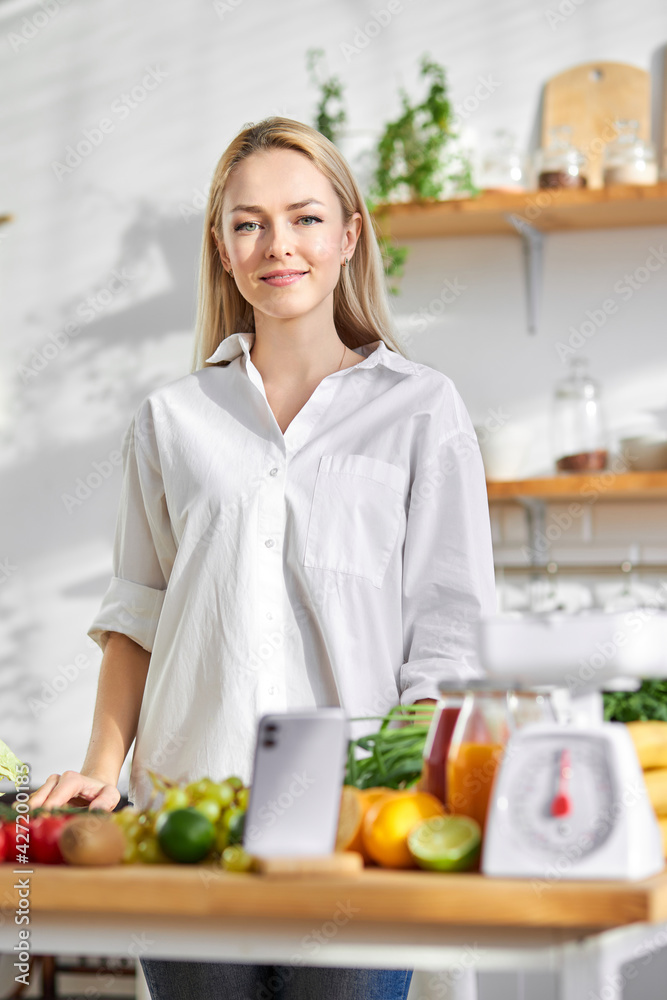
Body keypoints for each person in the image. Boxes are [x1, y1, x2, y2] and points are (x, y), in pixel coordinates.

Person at [28, 117, 496, 999]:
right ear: (222, 247)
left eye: (305, 218)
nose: (278, 245)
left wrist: (409, 786)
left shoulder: (422, 409)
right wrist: (97, 772)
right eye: (248, 223)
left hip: (353, 836)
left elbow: (448, 631)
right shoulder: (171, 419)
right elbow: (137, 612)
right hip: (186, 823)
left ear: (350, 233)